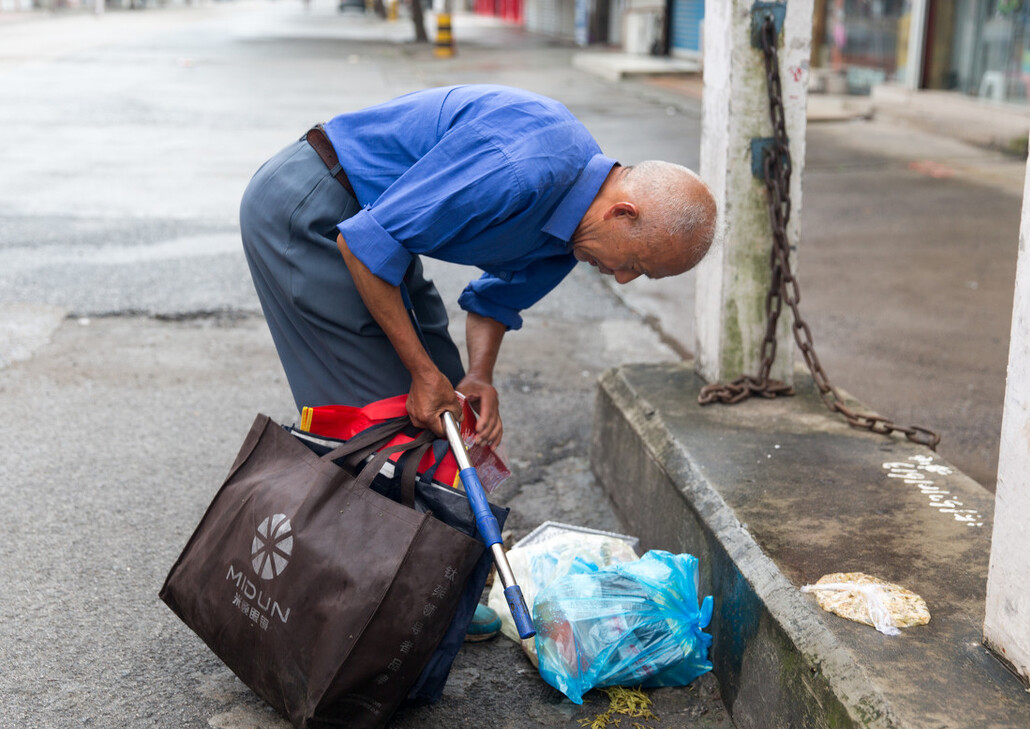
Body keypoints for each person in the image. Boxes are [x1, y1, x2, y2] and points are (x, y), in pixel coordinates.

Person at [240, 84, 716, 641]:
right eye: (634, 263)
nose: (624, 279)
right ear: (623, 212)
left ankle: (425, 588)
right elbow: (366, 246)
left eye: (640, 276)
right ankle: (355, 612)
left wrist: (477, 375)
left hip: (374, 223)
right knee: (383, 417)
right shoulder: (520, 168)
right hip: (311, 208)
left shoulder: (576, 233)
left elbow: (494, 300)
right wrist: (420, 376)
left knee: (451, 414)